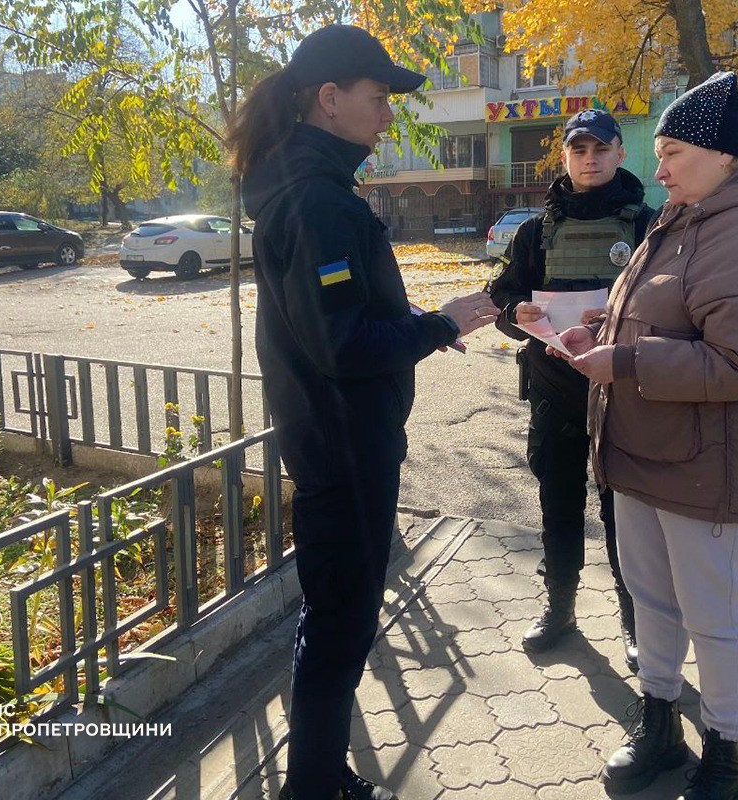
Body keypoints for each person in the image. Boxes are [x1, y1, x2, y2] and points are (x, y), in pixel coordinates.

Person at [230, 24, 499, 800]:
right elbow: (343, 347)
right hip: (345, 451)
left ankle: (315, 778)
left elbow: (333, 322)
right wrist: (438, 324)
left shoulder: (310, 191)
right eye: (378, 98)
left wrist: (417, 324)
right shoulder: (317, 204)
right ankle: (312, 786)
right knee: (340, 628)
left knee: (339, 619)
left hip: (335, 442)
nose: (387, 115)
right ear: (329, 99)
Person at [555, 72, 738, 799]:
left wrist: (624, 360)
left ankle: (725, 750)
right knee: (652, 600)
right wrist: (598, 328)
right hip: (644, 452)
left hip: (705, 466)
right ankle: (659, 724)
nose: (656, 167)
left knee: (714, 617)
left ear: (720, 154)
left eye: (670, 152)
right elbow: (661, 310)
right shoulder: (683, 216)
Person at [487, 108, 654, 668]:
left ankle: (635, 621)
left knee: (623, 511)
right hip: (555, 388)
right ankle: (560, 608)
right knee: (558, 501)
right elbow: (502, 299)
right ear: (565, 157)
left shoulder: (649, 225)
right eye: (579, 150)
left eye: (600, 149)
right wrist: (517, 311)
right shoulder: (536, 230)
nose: (590, 159)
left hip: (623, 391)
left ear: (619, 153)